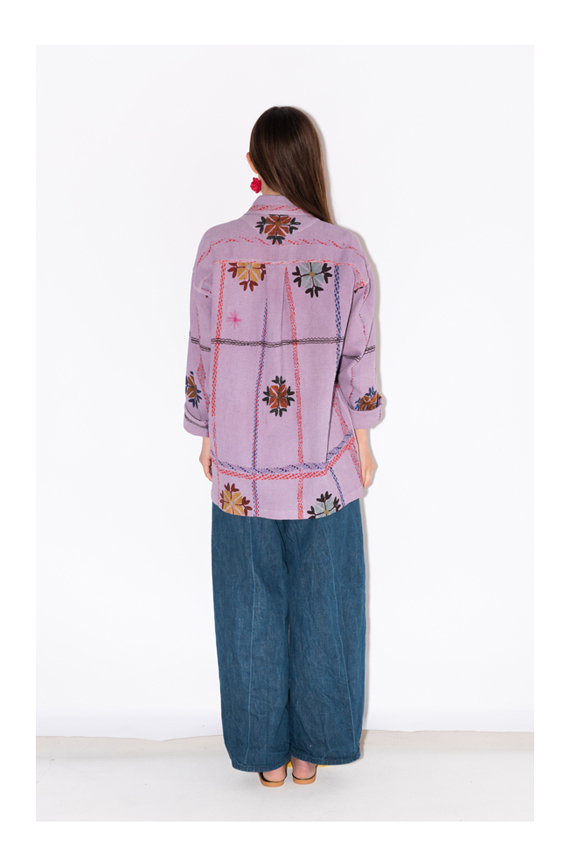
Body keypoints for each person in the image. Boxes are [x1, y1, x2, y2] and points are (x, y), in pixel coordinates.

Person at [183, 106, 382, 787]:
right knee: (327, 605)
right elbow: (360, 359)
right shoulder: (344, 250)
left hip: (240, 466)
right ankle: (309, 756)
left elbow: (200, 350)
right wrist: (363, 439)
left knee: (248, 608)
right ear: (308, 161)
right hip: (323, 466)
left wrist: (205, 432)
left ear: (253, 165)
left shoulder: (215, 248)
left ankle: (265, 759)